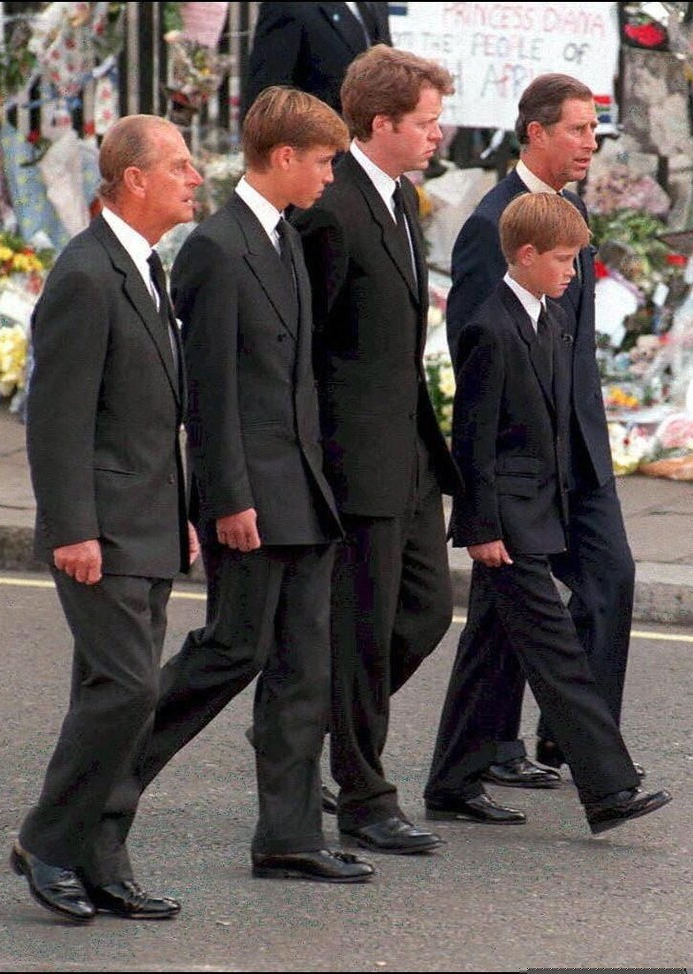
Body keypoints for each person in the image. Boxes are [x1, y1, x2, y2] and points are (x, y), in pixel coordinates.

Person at [93, 86, 373, 886]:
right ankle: (92, 801)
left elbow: (296, 382)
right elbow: (208, 393)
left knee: (302, 669)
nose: (329, 177)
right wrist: (227, 500)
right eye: (323, 162)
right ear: (284, 157)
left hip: (303, 493)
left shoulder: (286, 238)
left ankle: (288, 835)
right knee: (228, 653)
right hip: (253, 497)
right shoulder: (216, 248)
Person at [291, 45, 523, 857]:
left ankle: (301, 730)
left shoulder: (400, 195)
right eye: (425, 122)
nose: (437, 134)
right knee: (361, 630)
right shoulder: (329, 204)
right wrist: (314, 460)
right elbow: (303, 348)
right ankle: (364, 795)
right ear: (380, 123)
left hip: (410, 452)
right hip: (355, 459)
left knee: (423, 615)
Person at [425, 74, 641, 808]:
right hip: (525, 462)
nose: (590, 143)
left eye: (593, 130)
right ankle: (578, 755)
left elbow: (567, 344)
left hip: (580, 447)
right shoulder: (495, 225)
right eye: (578, 129)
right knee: (515, 611)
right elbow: (480, 353)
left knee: (603, 582)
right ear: (537, 131)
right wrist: (491, 494)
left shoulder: (567, 212)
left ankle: (534, 743)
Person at [11, 114, 203, 922]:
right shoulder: (86, 275)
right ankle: (47, 843)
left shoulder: (148, 268)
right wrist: (71, 530)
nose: (196, 178)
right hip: (102, 526)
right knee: (125, 689)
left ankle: (100, 855)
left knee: (118, 692)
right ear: (135, 179)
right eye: (182, 166)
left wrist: (185, 511)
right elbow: (56, 420)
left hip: (150, 518)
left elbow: (155, 413)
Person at [243, 2, 392, 118]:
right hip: (318, 147)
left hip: (374, 147)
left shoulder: (376, 6)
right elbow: (268, 96)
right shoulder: (287, 7)